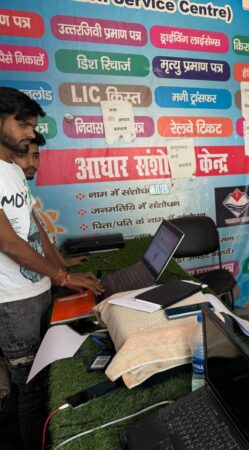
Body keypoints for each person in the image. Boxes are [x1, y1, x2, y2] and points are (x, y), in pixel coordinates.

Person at [0, 87, 103, 450]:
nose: (30, 133)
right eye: (23, 124)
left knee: (36, 381)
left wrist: (60, 266)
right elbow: (8, 242)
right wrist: (62, 276)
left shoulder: (11, 170)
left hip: (34, 292)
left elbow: (34, 228)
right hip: (13, 304)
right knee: (31, 387)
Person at [12, 130, 87, 267]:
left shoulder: (22, 186)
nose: (31, 163)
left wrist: (63, 263)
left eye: (36, 156)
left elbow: (42, 233)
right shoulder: (7, 191)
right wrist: (62, 276)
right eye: (22, 155)